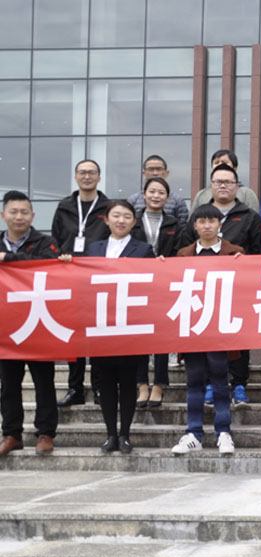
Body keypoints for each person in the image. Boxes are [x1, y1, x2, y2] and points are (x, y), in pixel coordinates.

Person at [179, 164, 261, 407]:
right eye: (218, 181)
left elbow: (260, 252)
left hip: (236, 292)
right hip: (200, 293)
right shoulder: (197, 216)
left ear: (237, 186)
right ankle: (208, 384)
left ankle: (239, 384)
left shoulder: (249, 216)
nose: (223, 185)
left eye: (228, 181)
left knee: (238, 339)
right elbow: (183, 254)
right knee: (204, 338)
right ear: (210, 186)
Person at [81, 200, 154, 454]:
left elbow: (152, 282)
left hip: (130, 325)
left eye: (126, 217)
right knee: (106, 382)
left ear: (133, 223)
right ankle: (110, 433)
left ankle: (125, 434)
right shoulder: (94, 249)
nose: (121, 220)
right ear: (106, 220)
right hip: (102, 325)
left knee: (128, 381)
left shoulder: (144, 249)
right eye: (116, 216)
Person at [170, 204, 241, 456]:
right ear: (195, 226)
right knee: (194, 381)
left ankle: (223, 432)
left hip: (221, 327)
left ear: (220, 224)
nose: (207, 226)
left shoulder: (235, 253)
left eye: (212, 221)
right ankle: (193, 433)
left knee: (220, 380)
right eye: (202, 221)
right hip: (193, 326)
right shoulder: (183, 255)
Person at [0, 190, 60, 456]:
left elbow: (48, 264)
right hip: (6, 327)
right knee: (8, 384)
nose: (19, 217)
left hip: (38, 323)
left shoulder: (46, 242)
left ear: (33, 216)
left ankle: (45, 433)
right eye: (13, 212)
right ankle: (11, 434)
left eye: (24, 212)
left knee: (44, 382)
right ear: (3, 215)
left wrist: (8, 259)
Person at [52, 159, 110, 408]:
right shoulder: (64, 206)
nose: (87, 176)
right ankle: (75, 388)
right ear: (76, 177)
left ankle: (98, 387)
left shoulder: (108, 207)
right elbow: (55, 238)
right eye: (82, 173)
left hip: (97, 277)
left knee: (96, 334)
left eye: (92, 173)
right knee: (74, 333)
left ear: (99, 177)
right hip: (70, 275)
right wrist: (59, 256)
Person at [131, 177, 180, 409]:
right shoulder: (133, 222)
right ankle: (142, 384)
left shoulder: (173, 223)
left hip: (164, 283)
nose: (156, 196)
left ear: (167, 198)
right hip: (138, 283)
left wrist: (166, 262)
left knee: (161, 336)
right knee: (140, 336)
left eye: (161, 192)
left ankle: (159, 384)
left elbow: (179, 251)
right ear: (144, 195)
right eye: (152, 191)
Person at [192, 149, 260, 212]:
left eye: (224, 162)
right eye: (216, 162)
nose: (220, 165)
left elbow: (253, 218)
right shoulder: (202, 195)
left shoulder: (246, 194)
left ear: (235, 167)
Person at [126, 155, 189, 221]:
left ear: (166, 173)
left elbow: (182, 225)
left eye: (159, 169)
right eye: (151, 169)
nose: (155, 173)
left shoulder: (178, 200)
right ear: (144, 173)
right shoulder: (133, 200)